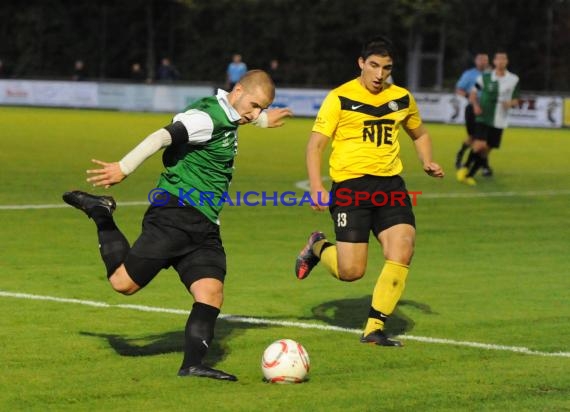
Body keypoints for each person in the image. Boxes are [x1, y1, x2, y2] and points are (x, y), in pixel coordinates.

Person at [62, 70, 293, 381]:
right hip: (175, 214)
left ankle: (193, 365)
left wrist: (265, 120)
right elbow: (161, 137)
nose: (254, 114)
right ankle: (101, 212)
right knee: (123, 284)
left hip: (205, 224)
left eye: (261, 108)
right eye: (254, 106)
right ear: (237, 90)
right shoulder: (206, 119)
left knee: (211, 292)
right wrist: (123, 168)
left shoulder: (233, 111)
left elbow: (242, 117)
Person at [294, 35, 444, 347]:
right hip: (351, 188)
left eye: (386, 68)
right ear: (361, 63)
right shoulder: (339, 98)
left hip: (390, 186)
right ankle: (318, 247)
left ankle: (374, 328)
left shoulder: (401, 98)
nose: (379, 75)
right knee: (351, 271)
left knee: (402, 249)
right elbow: (315, 146)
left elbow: (420, 133)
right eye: (373, 66)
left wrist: (427, 160)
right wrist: (317, 186)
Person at [457, 51, 519, 186]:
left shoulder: (513, 79)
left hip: (500, 119)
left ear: (507, 61)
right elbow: (473, 92)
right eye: (498, 59)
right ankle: (465, 167)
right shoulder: (485, 77)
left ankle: (469, 175)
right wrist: (475, 105)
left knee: (486, 150)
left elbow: (516, 99)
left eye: (504, 59)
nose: (501, 61)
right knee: (479, 145)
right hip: (484, 116)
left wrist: (511, 103)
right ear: (495, 62)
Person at [454, 52, 491, 171]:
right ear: (476, 61)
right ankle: (461, 155)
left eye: (485, 60)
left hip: (487, 110)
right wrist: (470, 96)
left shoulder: (492, 75)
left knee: (484, 140)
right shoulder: (469, 75)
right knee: (473, 138)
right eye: (480, 59)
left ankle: (484, 165)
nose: (483, 62)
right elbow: (459, 90)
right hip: (472, 109)